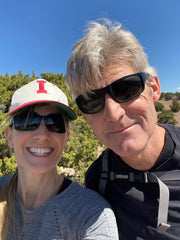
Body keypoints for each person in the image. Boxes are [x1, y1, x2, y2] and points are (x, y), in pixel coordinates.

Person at [65, 18, 180, 239]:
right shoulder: (98, 179)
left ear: (153, 89)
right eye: (92, 102)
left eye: (126, 89)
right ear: (85, 117)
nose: (113, 114)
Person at [0, 79, 118, 240]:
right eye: (28, 121)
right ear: (10, 137)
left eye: (55, 123)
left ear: (66, 138)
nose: (42, 135)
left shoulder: (93, 213)